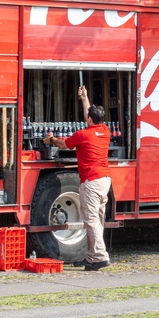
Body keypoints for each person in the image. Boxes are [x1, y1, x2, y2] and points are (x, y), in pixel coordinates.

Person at [42, 86, 112, 271]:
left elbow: (64, 144)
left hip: (91, 182)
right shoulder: (104, 130)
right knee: (97, 220)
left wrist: (51, 139)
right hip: (104, 180)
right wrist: (85, 98)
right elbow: (89, 115)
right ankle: (90, 257)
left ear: (89, 119)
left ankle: (100, 257)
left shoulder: (83, 135)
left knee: (90, 221)